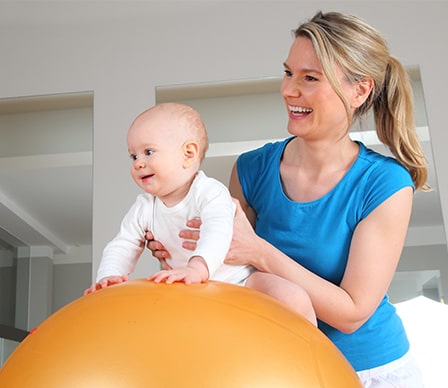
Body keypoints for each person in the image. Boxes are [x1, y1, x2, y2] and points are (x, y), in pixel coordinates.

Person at [147, 11, 428, 387]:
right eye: (288, 73)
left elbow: (352, 313)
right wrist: (178, 249)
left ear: (359, 90)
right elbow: (230, 276)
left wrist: (258, 250)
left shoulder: (384, 183)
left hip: (370, 371)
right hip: (280, 365)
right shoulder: (251, 170)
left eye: (310, 78)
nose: (289, 90)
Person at [85, 102, 317, 326]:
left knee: (292, 297)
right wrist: (109, 277)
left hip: (241, 280)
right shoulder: (144, 206)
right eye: (133, 156)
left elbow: (217, 231)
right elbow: (123, 243)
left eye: (148, 152)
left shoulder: (209, 192)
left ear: (188, 154)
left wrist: (197, 267)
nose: (138, 163)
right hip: (192, 288)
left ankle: (312, 355)